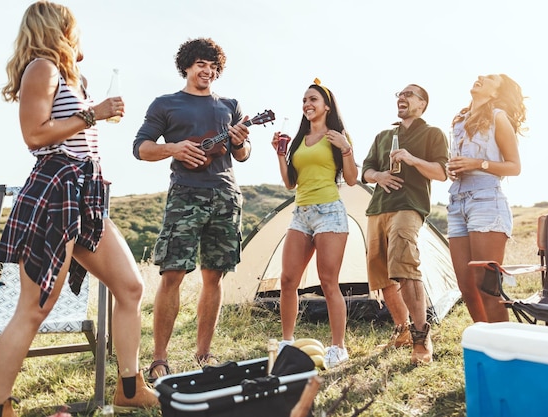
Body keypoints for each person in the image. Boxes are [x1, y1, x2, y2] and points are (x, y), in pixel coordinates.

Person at [0, 2, 159, 416]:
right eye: (73, 28)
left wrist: (94, 111)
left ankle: (129, 388)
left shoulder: (70, 75)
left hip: (85, 192)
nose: (79, 36)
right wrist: (92, 113)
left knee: (131, 287)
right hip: (56, 188)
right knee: (34, 308)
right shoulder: (41, 68)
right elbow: (34, 134)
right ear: (59, 28)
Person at [133, 38, 252, 381]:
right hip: (186, 195)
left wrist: (241, 141)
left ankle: (204, 354)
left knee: (214, 275)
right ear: (186, 66)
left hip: (226, 197)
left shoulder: (230, 105)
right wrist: (175, 149)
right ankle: (159, 359)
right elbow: (140, 148)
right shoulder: (166, 104)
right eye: (201, 64)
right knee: (172, 274)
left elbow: (242, 155)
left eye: (213, 66)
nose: (207, 71)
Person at [271, 79, 358, 368]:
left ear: (326, 106)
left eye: (313, 100)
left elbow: (352, 178)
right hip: (301, 213)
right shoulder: (298, 139)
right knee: (287, 280)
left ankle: (338, 347)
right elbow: (289, 184)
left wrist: (347, 149)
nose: (307, 104)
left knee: (328, 282)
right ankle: (286, 342)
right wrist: (280, 156)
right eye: (304, 101)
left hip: (329, 212)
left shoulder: (337, 136)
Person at [362, 84, 448, 365]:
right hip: (378, 208)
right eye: (400, 94)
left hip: (409, 206)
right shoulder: (384, 135)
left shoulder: (432, 133)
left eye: (409, 94)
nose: (402, 97)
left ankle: (422, 336)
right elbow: (366, 171)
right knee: (381, 272)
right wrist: (380, 176)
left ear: (422, 104)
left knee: (404, 264)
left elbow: (441, 172)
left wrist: (411, 159)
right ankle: (402, 331)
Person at [446, 74, 526, 323]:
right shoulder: (459, 120)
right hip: (457, 201)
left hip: (486, 202)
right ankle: (485, 344)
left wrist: (476, 163)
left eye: (489, 78)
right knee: (466, 286)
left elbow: (514, 166)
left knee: (486, 286)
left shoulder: (498, 117)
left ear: (495, 93)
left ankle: (504, 349)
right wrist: (454, 169)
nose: (480, 77)